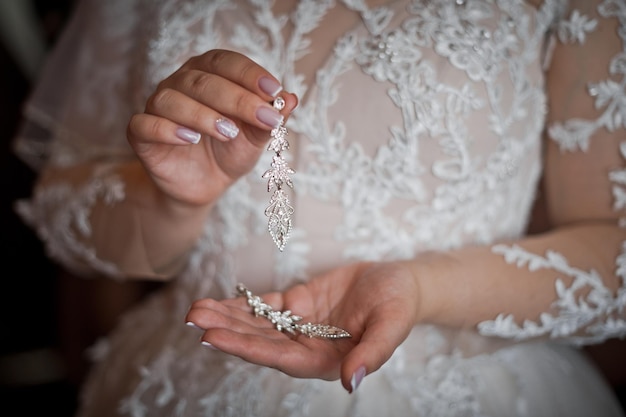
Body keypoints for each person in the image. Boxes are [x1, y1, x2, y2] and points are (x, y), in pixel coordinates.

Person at [12, 0, 626, 415]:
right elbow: (71, 212)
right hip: (196, 365)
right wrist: (173, 201)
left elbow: (613, 244)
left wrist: (420, 288)